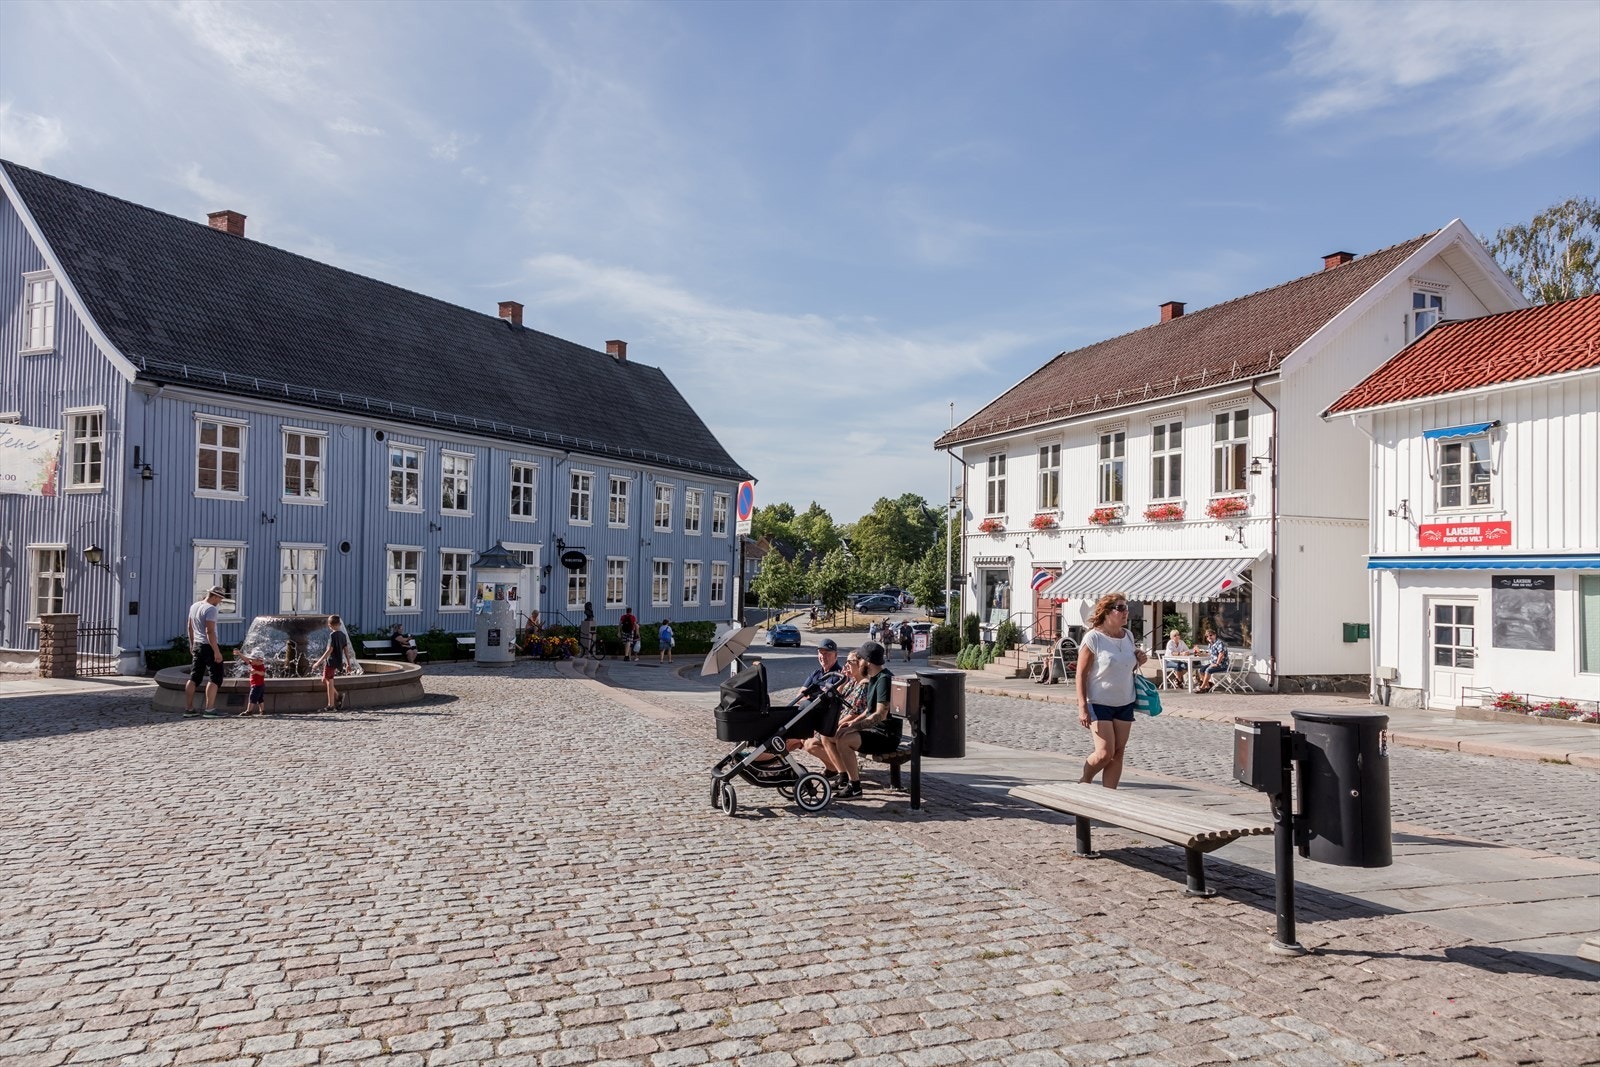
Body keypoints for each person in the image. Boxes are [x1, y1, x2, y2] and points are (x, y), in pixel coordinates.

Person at [1075, 592, 1147, 789]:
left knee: (1118, 753)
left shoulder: (1128, 636)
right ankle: (1085, 779)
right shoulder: (1094, 638)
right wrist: (1082, 706)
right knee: (1105, 753)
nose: (1126, 612)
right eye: (1121, 608)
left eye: (1126, 607)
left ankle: (1109, 797)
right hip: (1099, 702)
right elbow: (1081, 674)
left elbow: (1124, 668)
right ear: (1107, 612)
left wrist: (1139, 661)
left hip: (1125, 701)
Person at [821, 640, 897, 799]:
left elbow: (880, 714)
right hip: (874, 730)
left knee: (844, 739)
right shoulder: (875, 677)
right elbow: (869, 711)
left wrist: (852, 728)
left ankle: (854, 787)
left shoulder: (884, 680)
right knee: (829, 735)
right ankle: (843, 778)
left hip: (885, 735)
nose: (858, 661)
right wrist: (853, 723)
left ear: (867, 662)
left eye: (860, 659)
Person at [184, 585, 226, 718]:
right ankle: (209, 709)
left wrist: (191, 644)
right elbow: (210, 631)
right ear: (214, 596)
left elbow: (189, 626)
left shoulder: (195, 606)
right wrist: (216, 651)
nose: (220, 601)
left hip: (197, 644)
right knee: (215, 677)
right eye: (220, 598)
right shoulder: (211, 609)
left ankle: (189, 708)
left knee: (194, 677)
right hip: (208, 645)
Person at [310, 614, 351, 712]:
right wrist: (348, 663)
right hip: (338, 661)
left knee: (329, 681)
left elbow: (329, 650)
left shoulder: (332, 635)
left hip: (331, 661)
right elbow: (346, 650)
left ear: (330, 625)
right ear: (339, 624)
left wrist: (318, 663)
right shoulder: (343, 635)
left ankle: (331, 705)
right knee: (324, 679)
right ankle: (338, 696)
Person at [1195, 627, 1228, 693]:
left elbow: (1221, 654)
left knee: (1208, 670)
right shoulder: (1210, 644)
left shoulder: (1219, 643)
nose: (1209, 637)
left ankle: (1202, 688)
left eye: (1211, 635)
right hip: (1213, 663)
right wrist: (1201, 654)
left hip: (1222, 664)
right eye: (1207, 636)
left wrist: (1217, 664)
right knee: (1201, 670)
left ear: (1215, 635)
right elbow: (1210, 653)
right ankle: (1208, 686)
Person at [239, 651, 267, 717]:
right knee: (260, 698)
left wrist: (256, 672)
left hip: (257, 685)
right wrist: (239, 654)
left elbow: (263, 673)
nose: (251, 660)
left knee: (252, 697)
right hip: (259, 685)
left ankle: (249, 711)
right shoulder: (254, 664)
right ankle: (262, 710)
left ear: (258, 660)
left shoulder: (260, 666)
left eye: (252, 659)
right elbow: (246, 659)